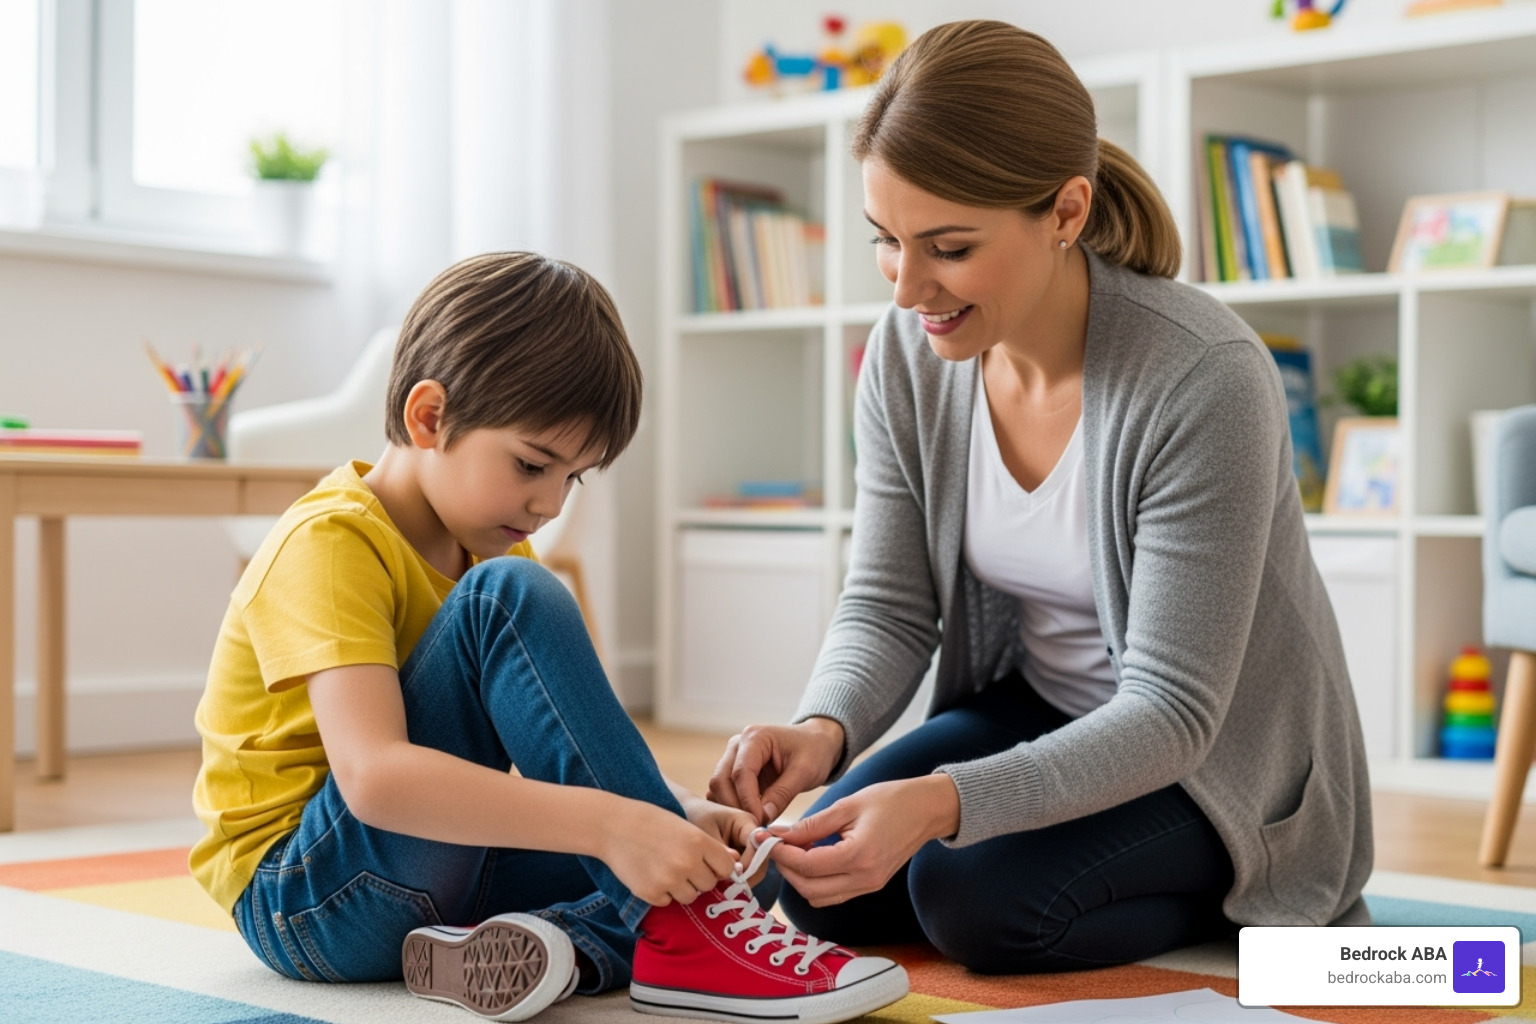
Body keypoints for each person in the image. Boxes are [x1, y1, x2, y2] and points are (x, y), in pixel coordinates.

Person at [710, 20, 1373, 975]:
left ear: (1065, 212)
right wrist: (824, 730)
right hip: (1043, 706)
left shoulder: (1205, 377)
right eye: (887, 242)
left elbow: (1174, 711)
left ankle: (1248, 899)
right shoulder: (909, 355)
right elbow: (890, 602)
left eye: (948, 246)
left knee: (971, 901)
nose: (908, 291)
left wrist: (945, 802)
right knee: (810, 877)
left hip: (1214, 761)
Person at [189, 251, 908, 1022]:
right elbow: (377, 777)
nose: (550, 504)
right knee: (516, 604)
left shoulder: (489, 542)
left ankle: (550, 950)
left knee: (724, 867)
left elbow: (567, 744)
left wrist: (675, 814)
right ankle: (682, 941)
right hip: (308, 896)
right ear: (429, 417)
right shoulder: (331, 543)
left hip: (433, 874)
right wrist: (618, 825)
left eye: (574, 477)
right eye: (534, 465)